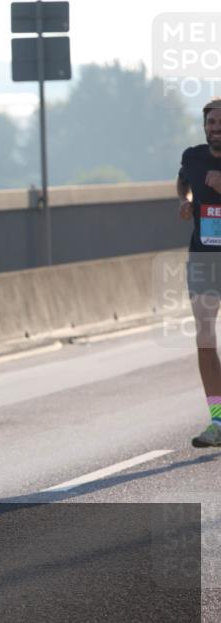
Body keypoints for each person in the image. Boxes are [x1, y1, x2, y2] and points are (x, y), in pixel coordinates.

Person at [178, 98, 221, 447]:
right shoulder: (192, 157)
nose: (215, 128)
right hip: (205, 259)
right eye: (211, 123)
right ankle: (218, 421)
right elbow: (184, 181)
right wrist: (187, 198)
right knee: (205, 339)